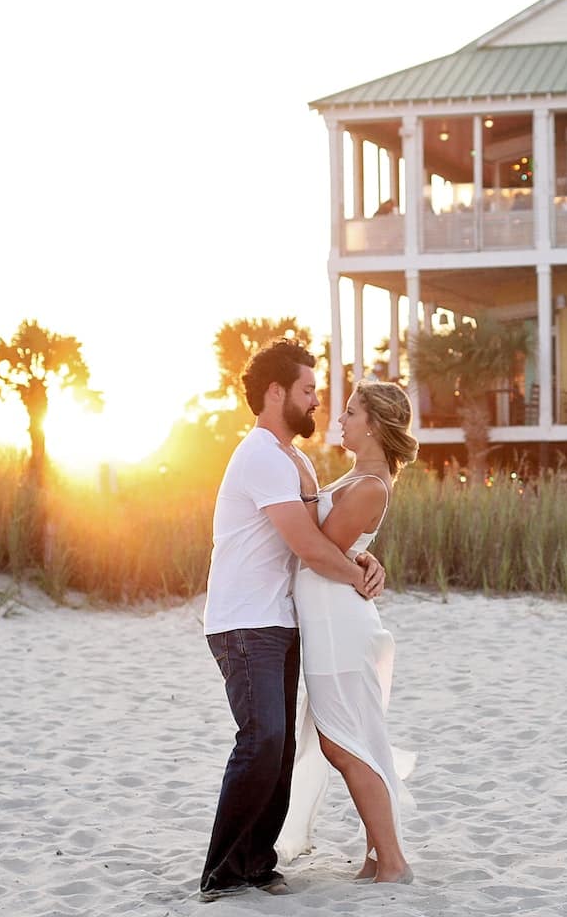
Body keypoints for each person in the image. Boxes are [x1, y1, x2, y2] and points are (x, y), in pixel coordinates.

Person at [199, 340, 387, 903]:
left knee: (278, 750)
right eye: (308, 390)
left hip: (279, 620)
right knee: (263, 740)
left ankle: (256, 863)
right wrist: (355, 577)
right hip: (243, 622)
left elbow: (327, 536)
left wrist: (362, 558)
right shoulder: (258, 454)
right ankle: (222, 872)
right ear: (276, 393)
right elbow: (306, 546)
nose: (316, 401)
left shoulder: (295, 460)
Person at [276, 380, 418, 885]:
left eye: (352, 412)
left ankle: (393, 861)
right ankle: (378, 856)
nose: (341, 419)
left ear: (375, 424)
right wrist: (362, 558)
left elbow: (318, 549)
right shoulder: (358, 479)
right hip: (329, 621)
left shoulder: (371, 486)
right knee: (349, 739)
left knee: (344, 743)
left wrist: (301, 474)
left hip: (339, 625)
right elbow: (341, 549)